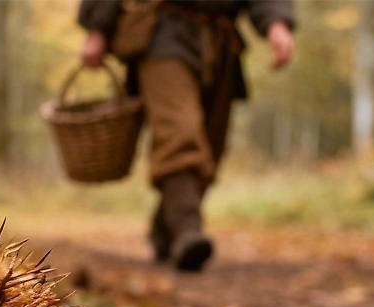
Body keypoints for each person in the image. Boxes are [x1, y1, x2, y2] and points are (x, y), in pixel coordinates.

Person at [78, 0, 295, 271]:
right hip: (161, 31)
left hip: (221, 41)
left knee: (210, 147)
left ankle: (166, 228)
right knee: (179, 131)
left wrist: (276, 23)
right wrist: (98, 28)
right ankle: (186, 228)